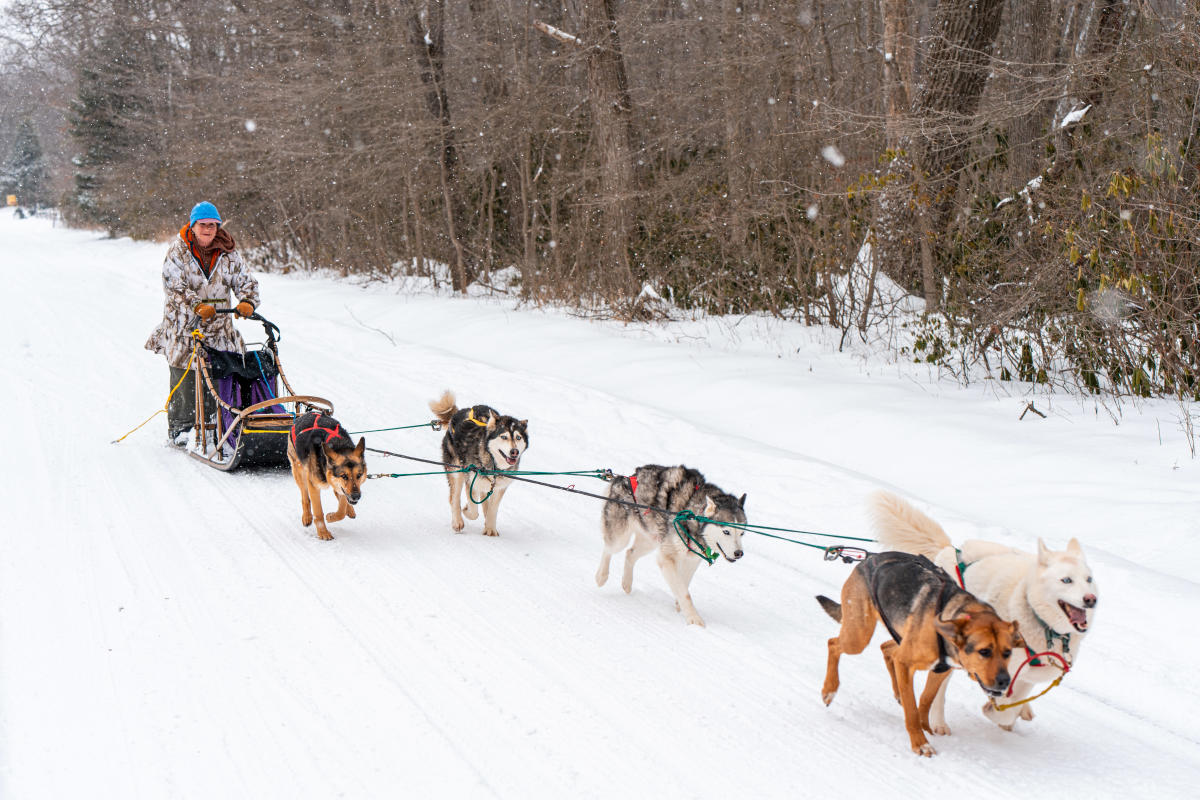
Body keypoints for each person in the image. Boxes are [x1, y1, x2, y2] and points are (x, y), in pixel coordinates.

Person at [145, 201, 261, 444]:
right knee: (185, 375)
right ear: (193, 225)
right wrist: (196, 304)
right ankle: (182, 428)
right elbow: (173, 286)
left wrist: (248, 301)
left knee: (220, 375)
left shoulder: (228, 252)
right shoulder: (178, 251)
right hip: (186, 326)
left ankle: (215, 424)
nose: (208, 229)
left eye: (212, 225)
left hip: (220, 327)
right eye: (203, 225)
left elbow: (245, 281)